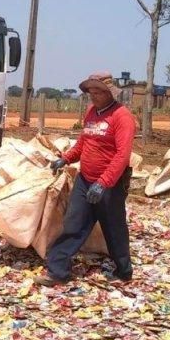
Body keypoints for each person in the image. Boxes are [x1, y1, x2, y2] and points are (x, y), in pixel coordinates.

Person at [34, 72, 136, 286]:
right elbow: (84, 142)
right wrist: (66, 159)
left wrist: (103, 183)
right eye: (91, 91)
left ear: (110, 93)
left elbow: (122, 155)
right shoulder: (91, 112)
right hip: (85, 179)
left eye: (98, 91)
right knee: (73, 224)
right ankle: (57, 272)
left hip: (110, 185)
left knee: (113, 228)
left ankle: (124, 271)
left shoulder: (122, 116)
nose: (93, 95)